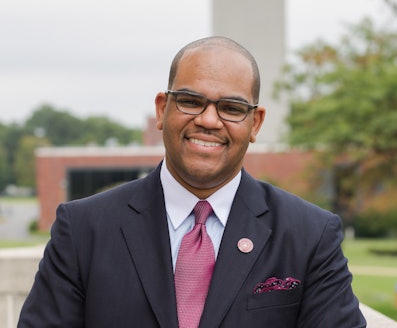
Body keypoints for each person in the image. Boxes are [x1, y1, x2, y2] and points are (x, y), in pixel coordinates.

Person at [18, 36, 366, 327]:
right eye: (190, 101)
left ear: (256, 123)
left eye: (231, 108)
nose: (209, 120)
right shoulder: (82, 229)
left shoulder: (309, 234)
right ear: (162, 109)